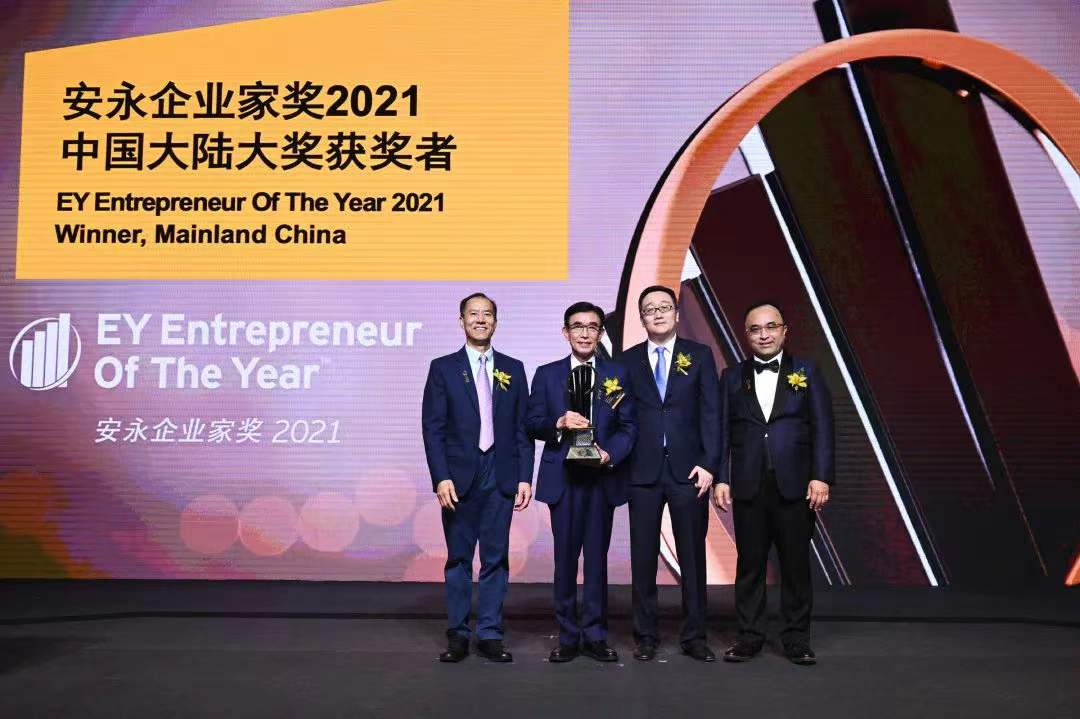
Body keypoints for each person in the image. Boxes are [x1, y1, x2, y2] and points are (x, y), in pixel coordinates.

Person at [714, 301, 834, 665]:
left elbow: (823, 428)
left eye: (771, 327)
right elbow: (721, 432)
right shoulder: (731, 377)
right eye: (755, 329)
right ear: (746, 335)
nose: (764, 335)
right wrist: (721, 478)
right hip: (748, 485)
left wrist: (821, 476)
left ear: (784, 331)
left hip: (795, 486)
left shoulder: (807, 371)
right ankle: (749, 637)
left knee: (795, 565)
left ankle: (796, 638)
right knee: (750, 565)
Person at [421, 293, 534, 663]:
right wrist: (440, 477)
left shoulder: (514, 368)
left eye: (487, 314)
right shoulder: (443, 368)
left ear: (496, 322)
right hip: (459, 478)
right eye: (473, 314)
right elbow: (433, 428)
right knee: (458, 558)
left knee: (495, 559)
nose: (480, 320)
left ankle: (489, 633)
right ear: (462, 321)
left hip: (500, 474)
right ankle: (457, 634)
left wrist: (524, 476)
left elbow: (522, 428)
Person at [526, 302, 637, 663]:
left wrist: (611, 454)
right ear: (566, 332)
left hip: (601, 479)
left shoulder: (616, 373)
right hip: (563, 478)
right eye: (578, 327)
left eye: (592, 327)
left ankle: (595, 635)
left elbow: (629, 426)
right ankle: (568, 636)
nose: (585, 334)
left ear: (601, 333)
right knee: (564, 560)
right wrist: (558, 423)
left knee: (596, 561)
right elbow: (532, 421)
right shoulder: (547, 374)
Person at [624, 285, 720, 662]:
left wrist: (709, 463)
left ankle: (694, 636)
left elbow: (711, 413)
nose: (658, 313)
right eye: (650, 309)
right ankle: (645, 636)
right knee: (643, 558)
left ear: (677, 314)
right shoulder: (627, 360)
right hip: (642, 472)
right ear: (642, 318)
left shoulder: (699, 355)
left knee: (692, 557)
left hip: (689, 471)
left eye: (664, 307)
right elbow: (620, 415)